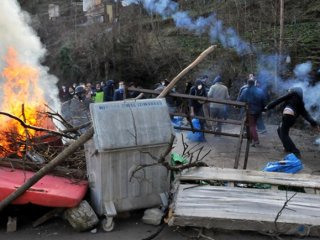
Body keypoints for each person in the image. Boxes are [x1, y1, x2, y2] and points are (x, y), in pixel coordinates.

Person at [264, 87, 319, 158]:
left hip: (288, 114)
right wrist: (314, 123)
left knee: (284, 134)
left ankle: (295, 151)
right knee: (279, 130)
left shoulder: (293, 94)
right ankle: (287, 147)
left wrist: (268, 107)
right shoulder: (300, 102)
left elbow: (279, 100)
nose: (289, 91)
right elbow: (306, 115)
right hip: (291, 118)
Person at [237, 77, 266, 147]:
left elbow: (240, 99)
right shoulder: (260, 91)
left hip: (251, 111)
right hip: (258, 111)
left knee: (252, 126)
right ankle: (250, 138)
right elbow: (264, 101)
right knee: (249, 123)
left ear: (248, 84)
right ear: (254, 83)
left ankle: (255, 140)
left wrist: (237, 105)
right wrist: (263, 109)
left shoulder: (246, 90)